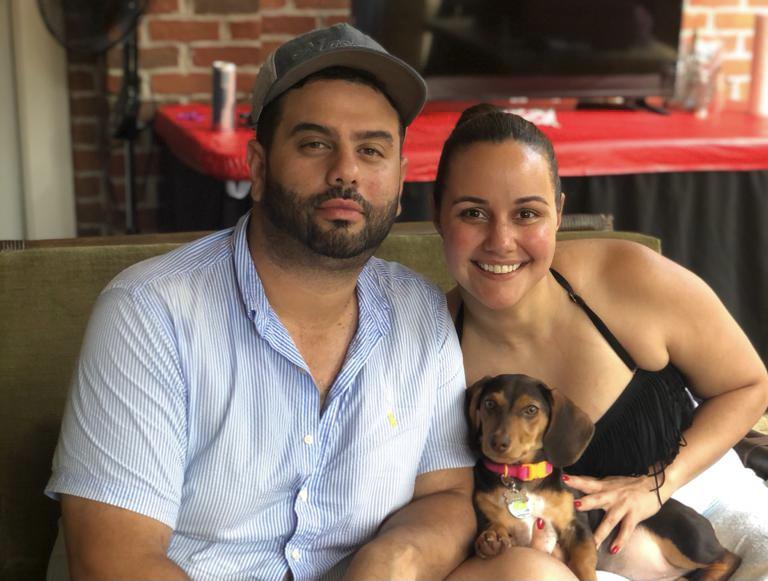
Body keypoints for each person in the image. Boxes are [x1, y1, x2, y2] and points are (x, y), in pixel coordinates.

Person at [45, 24, 494, 581]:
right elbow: (114, 563)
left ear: (401, 183)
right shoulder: (151, 312)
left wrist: (393, 559)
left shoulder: (420, 311)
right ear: (257, 168)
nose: (346, 171)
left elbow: (447, 492)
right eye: (315, 144)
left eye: (371, 150)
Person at [433, 103, 768, 580]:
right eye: (473, 213)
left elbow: (749, 385)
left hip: (705, 501)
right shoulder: (428, 344)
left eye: (527, 213)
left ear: (559, 212)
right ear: (438, 216)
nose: (501, 241)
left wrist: (658, 484)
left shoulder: (628, 276)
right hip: (562, 555)